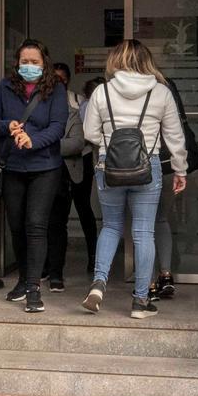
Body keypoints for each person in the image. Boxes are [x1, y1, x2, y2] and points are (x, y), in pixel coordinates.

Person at [81, 40, 187, 319]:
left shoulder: (102, 92)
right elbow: (174, 136)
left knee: (111, 226)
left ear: (115, 60)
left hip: (108, 166)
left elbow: (90, 133)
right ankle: (141, 301)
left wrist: (111, 141)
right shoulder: (161, 92)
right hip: (147, 168)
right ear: (146, 60)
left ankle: (98, 284)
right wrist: (180, 169)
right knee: (143, 233)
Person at [0, 39, 68, 313]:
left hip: (45, 167)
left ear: (44, 63)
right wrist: (7, 126)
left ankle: (34, 287)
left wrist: (34, 140)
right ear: (17, 63)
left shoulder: (56, 89)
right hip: (12, 167)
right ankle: (22, 279)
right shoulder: (3, 87)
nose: (29, 66)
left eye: (34, 62)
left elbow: (58, 127)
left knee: (35, 226)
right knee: (17, 226)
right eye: (25, 62)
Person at [149, 75, 198, 301]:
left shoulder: (136, 84)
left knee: (144, 225)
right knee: (161, 219)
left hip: (145, 163)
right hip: (169, 164)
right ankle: (166, 273)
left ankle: (149, 282)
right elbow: (177, 129)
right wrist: (180, 167)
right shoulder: (167, 84)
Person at [41, 63, 86, 292]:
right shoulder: (36, 111)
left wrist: (45, 144)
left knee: (57, 225)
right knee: (38, 224)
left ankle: (56, 274)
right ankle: (42, 268)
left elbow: (78, 142)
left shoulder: (73, 115)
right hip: (37, 175)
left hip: (62, 177)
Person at [77, 77, 107, 273]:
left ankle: (97, 266)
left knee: (108, 222)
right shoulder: (90, 106)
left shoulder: (85, 105)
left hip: (94, 161)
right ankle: (95, 260)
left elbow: (90, 135)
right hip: (93, 161)